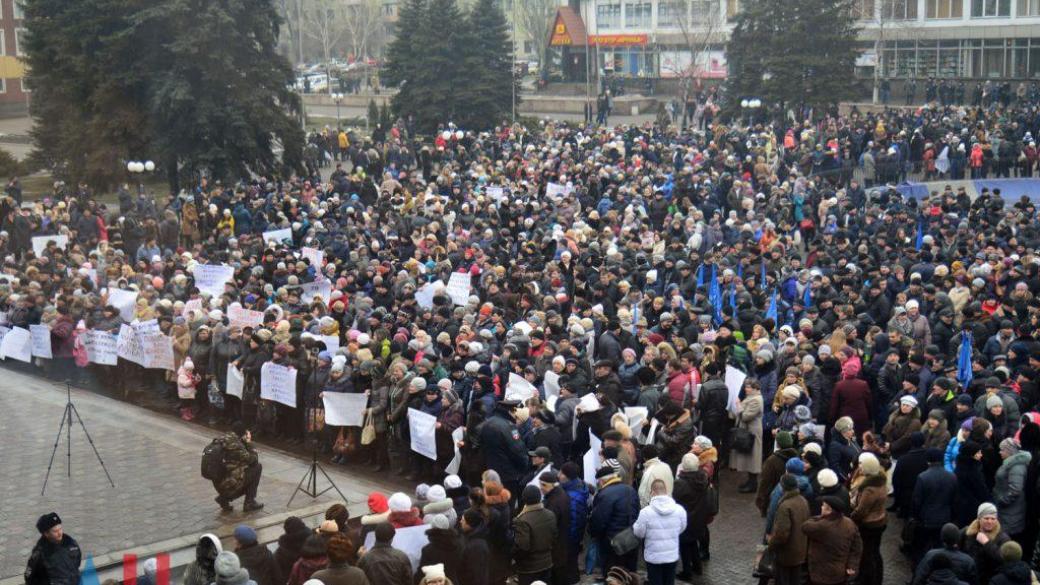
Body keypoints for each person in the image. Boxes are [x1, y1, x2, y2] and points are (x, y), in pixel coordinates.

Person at [632, 479, 687, 585]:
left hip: (653, 557)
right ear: (666, 491)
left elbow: (639, 533)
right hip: (671, 555)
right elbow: (682, 528)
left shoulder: (645, 512)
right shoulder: (680, 510)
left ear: (652, 492)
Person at [589, 464, 640, 574]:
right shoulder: (630, 490)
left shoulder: (604, 494)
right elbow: (637, 512)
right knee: (629, 574)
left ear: (602, 481)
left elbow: (599, 522)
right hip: (631, 539)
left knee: (613, 575)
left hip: (612, 543)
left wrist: (593, 534)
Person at [912, 448, 959, 566]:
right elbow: (955, 500)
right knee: (940, 548)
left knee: (922, 548)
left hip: (926, 519)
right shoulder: (952, 477)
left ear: (928, 460)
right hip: (945, 518)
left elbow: (916, 501)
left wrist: (916, 517)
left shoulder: (922, 477)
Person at [802, 497, 862, 585]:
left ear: (829, 510)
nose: (821, 507)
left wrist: (822, 516)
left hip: (822, 573)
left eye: (823, 506)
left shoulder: (822, 526)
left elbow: (805, 526)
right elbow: (857, 547)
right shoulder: (849, 523)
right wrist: (852, 565)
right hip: (840, 571)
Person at [850, 453, 887, 585]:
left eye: (862, 465)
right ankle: (876, 578)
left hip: (869, 525)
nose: (859, 467)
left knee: (866, 554)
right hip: (880, 521)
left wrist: (851, 516)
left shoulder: (869, 489)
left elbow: (862, 510)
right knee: (875, 552)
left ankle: (867, 579)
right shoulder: (880, 481)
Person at [766, 474, 810, 585]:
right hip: (800, 551)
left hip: (786, 554)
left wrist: (771, 544)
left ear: (783, 487)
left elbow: (781, 534)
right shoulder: (803, 501)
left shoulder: (785, 506)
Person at [213, 422, 264, 512]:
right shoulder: (236, 445)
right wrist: (248, 442)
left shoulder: (221, 439)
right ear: (242, 433)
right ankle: (249, 503)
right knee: (257, 468)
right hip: (228, 484)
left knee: (242, 472)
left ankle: (223, 498)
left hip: (218, 483)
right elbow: (253, 460)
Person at [511, 484, 557, 585]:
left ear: (524, 499)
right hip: (547, 563)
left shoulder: (521, 520)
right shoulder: (550, 514)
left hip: (529, 568)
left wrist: (514, 558)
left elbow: (522, 547)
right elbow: (554, 537)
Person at [959, 503, 1011, 585]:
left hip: (990, 580)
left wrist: (986, 543)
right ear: (979, 519)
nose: (990, 521)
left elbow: (1004, 560)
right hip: (969, 578)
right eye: (986, 518)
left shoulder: (1002, 538)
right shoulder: (967, 532)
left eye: (993, 519)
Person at [24, 513, 82, 585]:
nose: (60, 533)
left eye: (60, 529)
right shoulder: (40, 553)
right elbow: (29, 577)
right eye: (55, 531)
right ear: (46, 534)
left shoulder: (71, 543)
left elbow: (77, 562)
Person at [992, 438, 1031, 543]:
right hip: (1007, 510)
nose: (1000, 452)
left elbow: (1016, 489)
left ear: (1009, 451)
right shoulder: (1010, 463)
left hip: (1011, 511)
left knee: (1008, 540)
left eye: (1002, 450)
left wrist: (1002, 500)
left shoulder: (1017, 467)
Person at [913, 523, 979, 585]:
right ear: (958, 538)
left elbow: (919, 578)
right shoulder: (968, 561)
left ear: (942, 537)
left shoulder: (931, 555)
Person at [732, 379, 764, 493]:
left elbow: (746, 416)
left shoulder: (756, 400)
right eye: (746, 387)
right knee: (749, 457)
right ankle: (750, 481)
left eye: (749, 387)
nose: (746, 389)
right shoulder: (751, 397)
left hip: (752, 432)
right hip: (749, 431)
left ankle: (753, 484)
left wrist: (738, 405)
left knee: (753, 458)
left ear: (755, 388)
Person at [458, 509, 491, 585]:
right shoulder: (471, 536)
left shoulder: (476, 547)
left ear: (470, 524)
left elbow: (477, 575)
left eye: (463, 520)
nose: (460, 521)